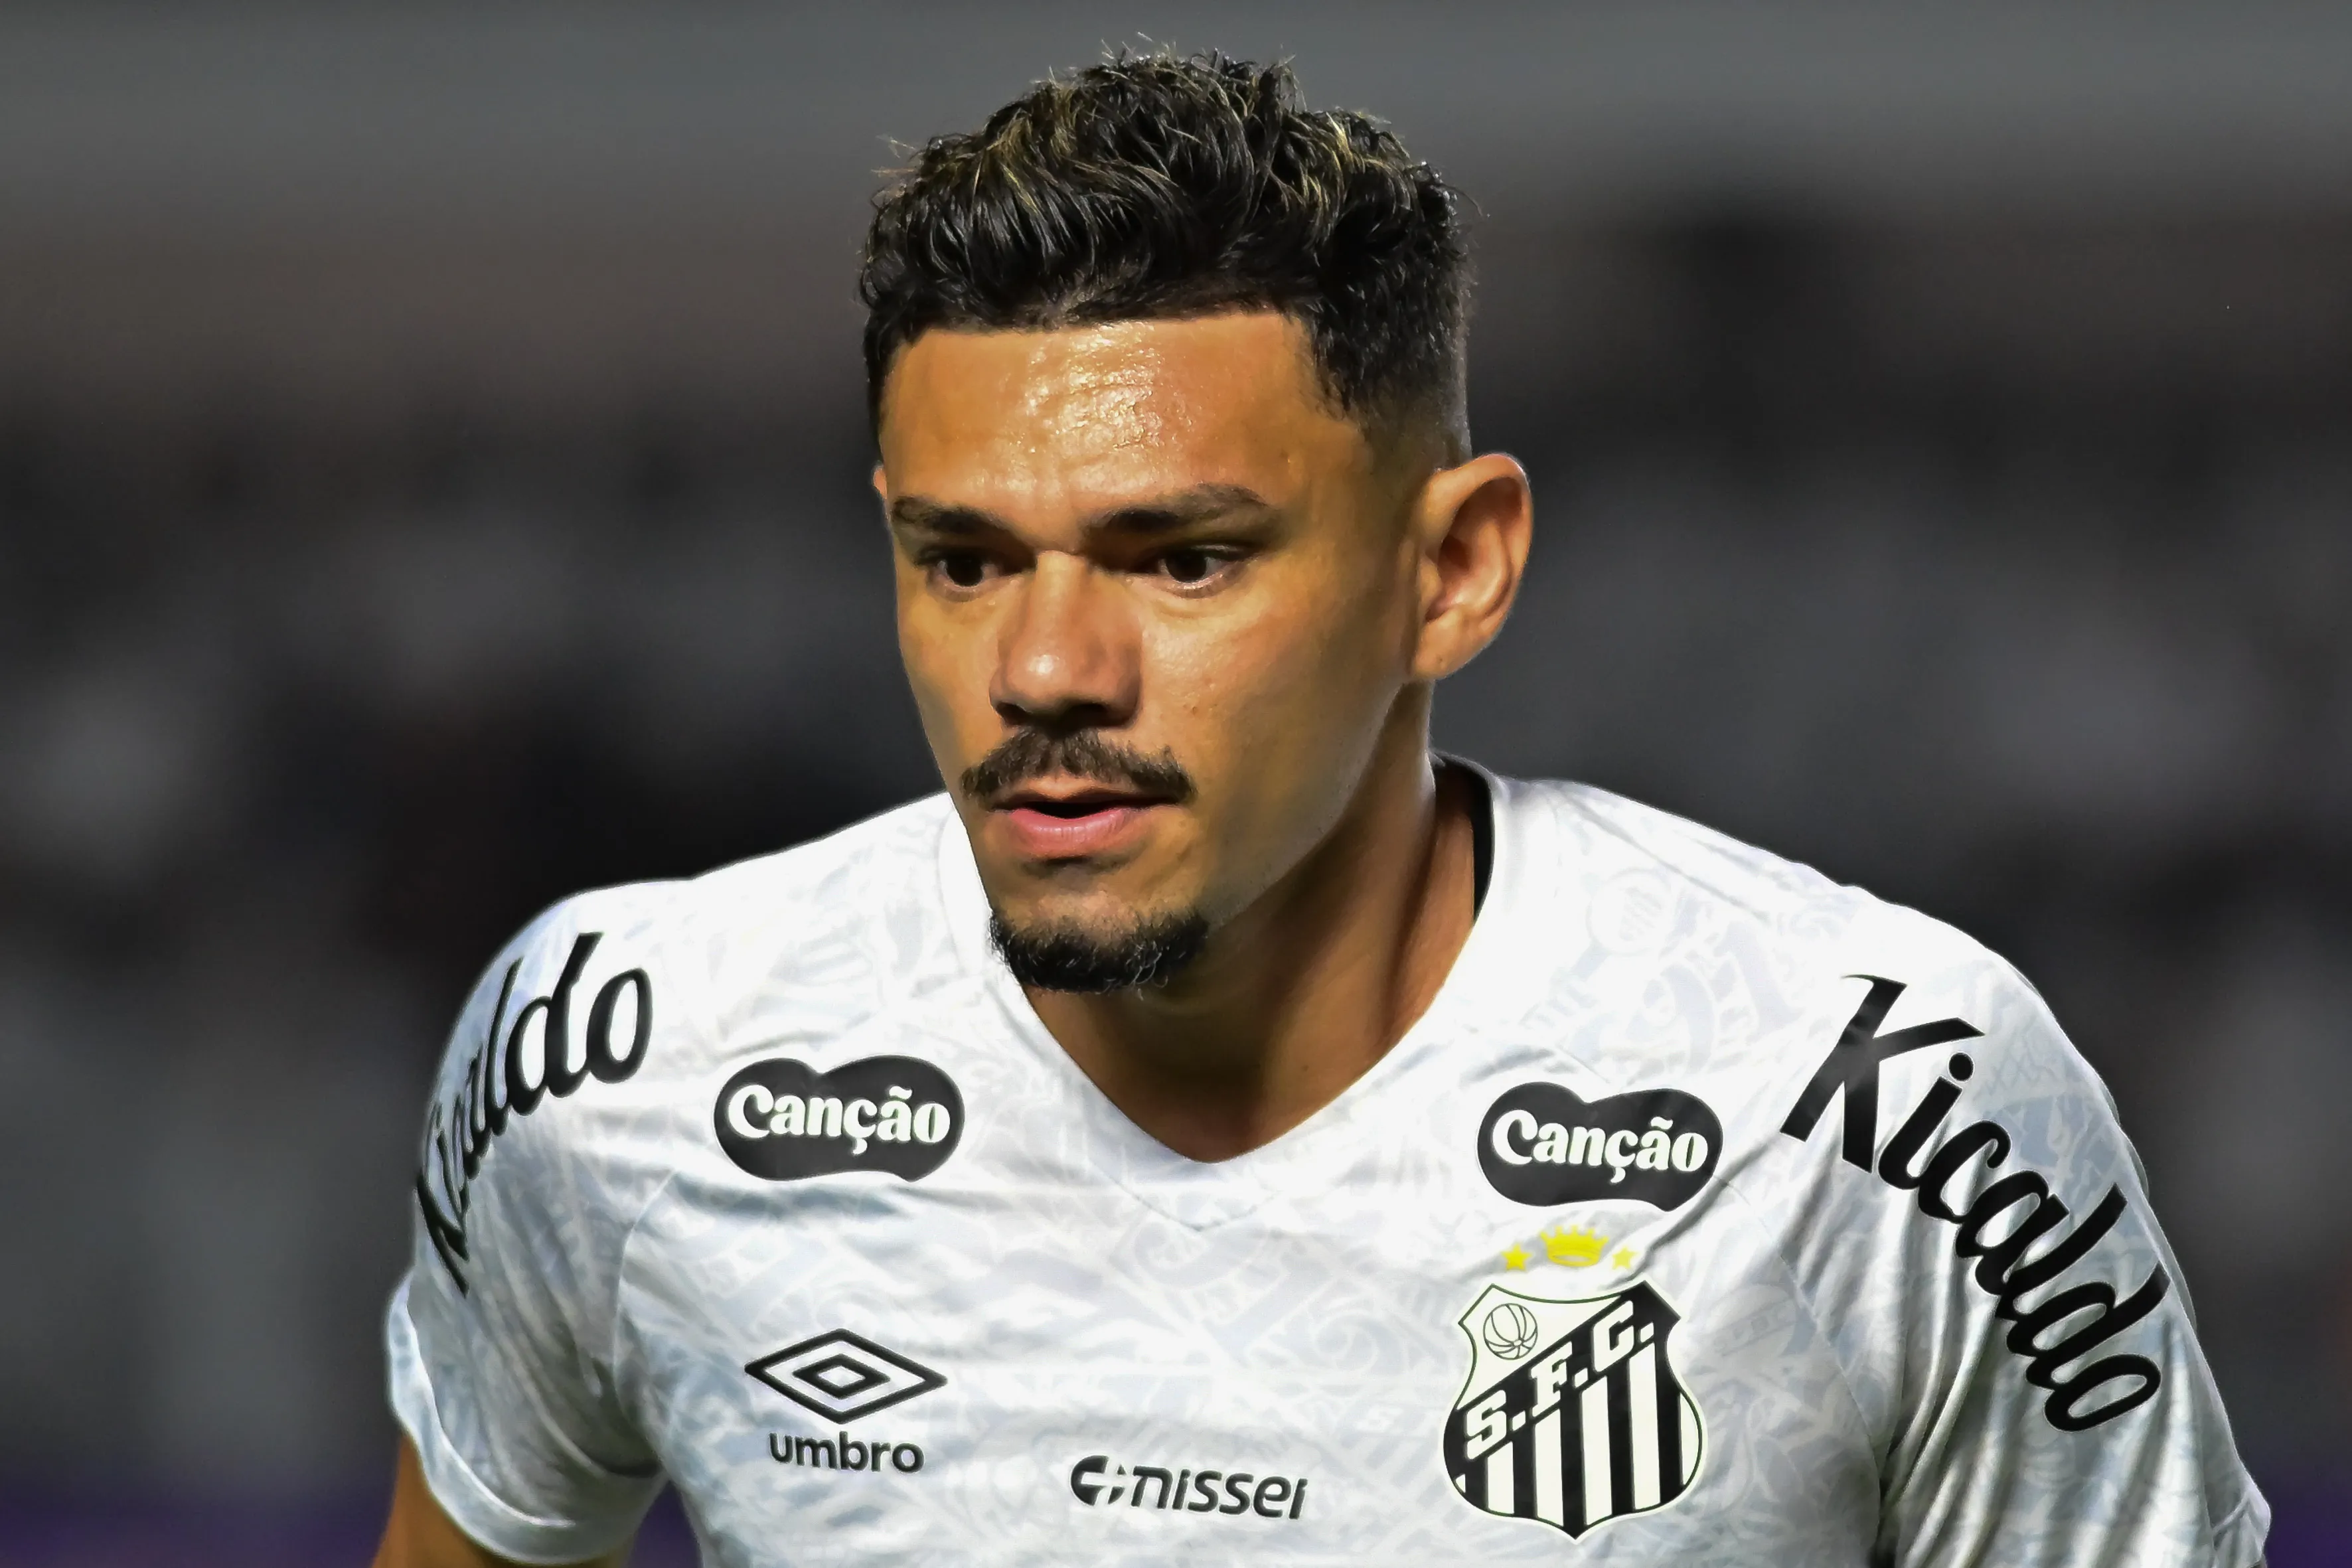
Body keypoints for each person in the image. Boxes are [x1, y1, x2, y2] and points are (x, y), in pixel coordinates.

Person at [372, 52, 2267, 1568]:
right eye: (960, 562)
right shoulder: (618, 1062)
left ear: (1452, 568)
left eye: (1181, 561)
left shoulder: (1884, 1115)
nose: (1042, 671)